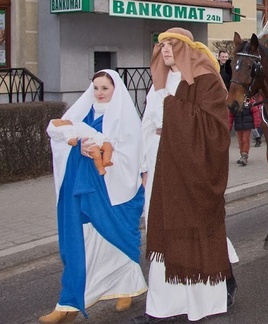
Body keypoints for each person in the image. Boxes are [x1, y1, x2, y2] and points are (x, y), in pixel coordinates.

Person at [136, 28, 238, 323]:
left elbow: (216, 130)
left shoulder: (206, 82)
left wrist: (172, 106)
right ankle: (161, 305)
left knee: (192, 226)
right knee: (163, 228)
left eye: (172, 44)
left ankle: (205, 298)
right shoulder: (159, 85)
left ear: (188, 49)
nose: (165, 49)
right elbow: (147, 125)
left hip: (190, 167)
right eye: (162, 45)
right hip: (159, 162)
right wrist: (143, 167)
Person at [42, 70, 145, 324]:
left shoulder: (125, 118)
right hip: (80, 187)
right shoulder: (80, 113)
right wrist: (78, 145)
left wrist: (101, 150)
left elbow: (131, 156)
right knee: (80, 241)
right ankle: (69, 302)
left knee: (115, 240)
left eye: (104, 88)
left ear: (115, 90)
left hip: (111, 191)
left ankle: (127, 286)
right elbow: (60, 137)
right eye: (96, 88)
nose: (99, 93)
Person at [234, 93, 263, 166]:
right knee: (240, 140)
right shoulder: (235, 101)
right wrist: (229, 125)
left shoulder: (249, 101)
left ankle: (244, 155)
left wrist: (256, 123)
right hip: (238, 124)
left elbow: (255, 112)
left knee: (245, 139)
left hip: (248, 124)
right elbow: (231, 115)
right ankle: (242, 154)